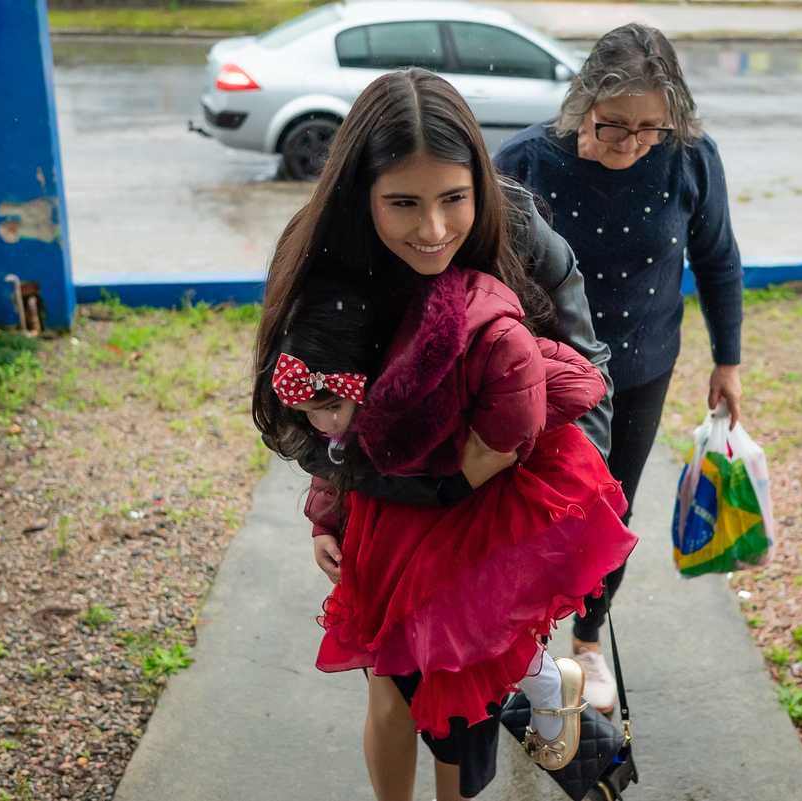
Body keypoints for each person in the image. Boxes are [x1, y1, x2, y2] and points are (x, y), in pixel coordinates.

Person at [252, 69, 638, 801]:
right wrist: (329, 505)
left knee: (466, 714)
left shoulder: (520, 237)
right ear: (358, 197)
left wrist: (550, 524)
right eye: (402, 202)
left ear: (478, 189)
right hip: (387, 521)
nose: (432, 230)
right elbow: (304, 409)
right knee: (391, 693)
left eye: (453, 199)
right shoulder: (325, 264)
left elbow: (588, 375)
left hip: (494, 526)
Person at [494, 22, 746, 714]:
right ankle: (524, 637)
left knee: (610, 505)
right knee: (529, 507)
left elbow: (718, 259)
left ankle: (588, 639)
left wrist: (729, 359)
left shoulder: (690, 159)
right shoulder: (525, 162)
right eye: (613, 127)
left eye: (648, 130)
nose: (631, 145)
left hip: (640, 368)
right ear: (582, 104)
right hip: (538, 373)